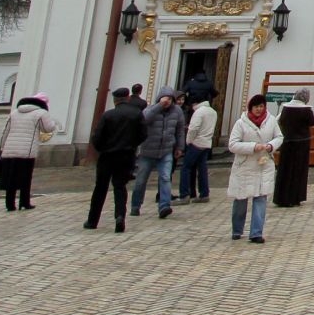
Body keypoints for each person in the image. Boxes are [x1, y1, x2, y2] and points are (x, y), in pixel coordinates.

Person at [86, 86, 146, 232]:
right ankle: (120, 216)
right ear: (127, 98)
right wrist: (131, 146)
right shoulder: (136, 114)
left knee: (100, 187)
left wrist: (102, 149)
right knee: (120, 186)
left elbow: (97, 137)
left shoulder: (108, 115)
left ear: (115, 100)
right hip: (126, 155)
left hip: (107, 156)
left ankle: (92, 220)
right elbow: (143, 134)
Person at [228, 94, 282, 242]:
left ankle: (256, 232)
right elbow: (232, 144)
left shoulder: (270, 121)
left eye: (261, 106)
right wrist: (253, 147)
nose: (259, 109)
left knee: (261, 197)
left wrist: (271, 146)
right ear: (251, 108)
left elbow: (279, 136)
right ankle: (237, 229)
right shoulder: (241, 123)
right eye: (256, 107)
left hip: (263, 164)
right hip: (245, 164)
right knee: (241, 199)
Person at [0, 93, 56, 211]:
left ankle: (9, 204)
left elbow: (5, 132)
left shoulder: (14, 113)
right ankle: (24, 202)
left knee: (10, 177)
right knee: (26, 177)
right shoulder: (41, 113)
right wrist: (53, 123)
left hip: (10, 150)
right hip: (27, 151)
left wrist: (1, 148)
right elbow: (47, 128)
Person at [128, 87, 183, 220]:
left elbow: (180, 130)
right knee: (141, 180)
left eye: (171, 99)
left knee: (165, 178)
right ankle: (135, 205)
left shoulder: (177, 111)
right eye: (166, 98)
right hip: (148, 151)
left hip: (166, 150)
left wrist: (180, 147)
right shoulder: (151, 109)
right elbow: (144, 119)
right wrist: (159, 106)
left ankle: (164, 205)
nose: (168, 101)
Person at [273, 89, 314, 208]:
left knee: (286, 171)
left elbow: (279, 120)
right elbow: (313, 122)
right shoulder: (306, 110)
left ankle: (283, 198)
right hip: (302, 144)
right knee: (298, 170)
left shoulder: (286, 109)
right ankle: (295, 197)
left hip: (288, 142)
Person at [181, 89, 217, 204]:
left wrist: (188, 141)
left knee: (186, 168)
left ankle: (184, 194)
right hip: (207, 143)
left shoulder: (199, 112)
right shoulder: (212, 111)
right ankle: (204, 193)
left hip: (196, 143)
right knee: (202, 169)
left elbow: (193, 129)